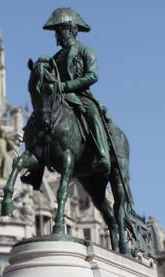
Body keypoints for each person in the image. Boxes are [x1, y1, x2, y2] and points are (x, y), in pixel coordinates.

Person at [43, 8, 111, 174]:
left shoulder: (86, 52)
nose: (57, 34)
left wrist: (66, 86)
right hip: (60, 98)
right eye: (57, 31)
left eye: (61, 30)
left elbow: (92, 76)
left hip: (81, 96)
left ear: (72, 30)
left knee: (93, 113)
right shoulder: (55, 58)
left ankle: (103, 156)